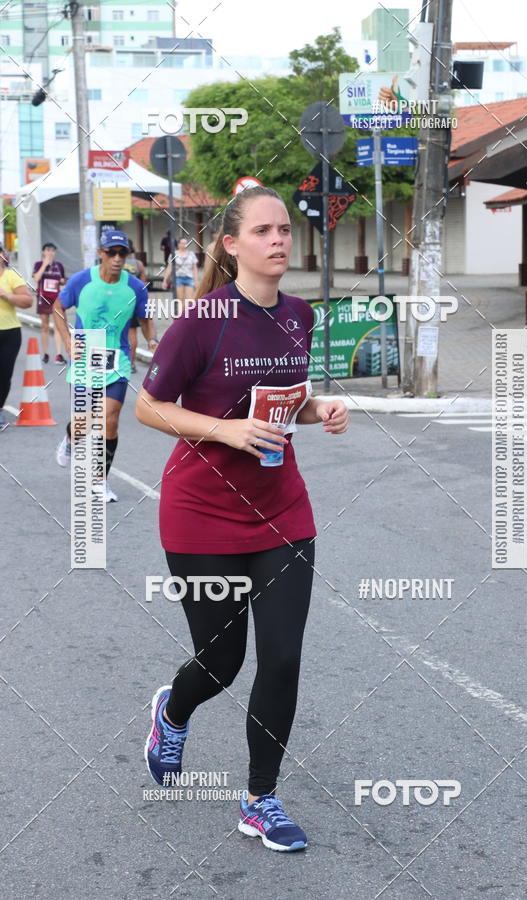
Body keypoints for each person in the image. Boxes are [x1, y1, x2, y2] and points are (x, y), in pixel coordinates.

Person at [136, 186, 349, 852]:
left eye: (285, 229)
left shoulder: (300, 317)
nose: (280, 239)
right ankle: (172, 710)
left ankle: (260, 799)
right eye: (263, 230)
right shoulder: (202, 321)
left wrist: (318, 412)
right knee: (222, 663)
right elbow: (149, 407)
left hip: (282, 510)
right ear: (232, 245)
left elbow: (284, 401)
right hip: (200, 514)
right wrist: (224, 433)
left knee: (281, 657)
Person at [52, 229, 158, 502]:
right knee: (84, 421)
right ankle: (70, 437)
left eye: (123, 253)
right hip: (85, 355)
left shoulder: (134, 287)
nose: (118, 258)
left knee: (110, 417)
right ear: (101, 253)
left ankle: (99, 479)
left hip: (117, 358)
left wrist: (154, 340)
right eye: (112, 252)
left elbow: (145, 319)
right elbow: (57, 307)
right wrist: (67, 340)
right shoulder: (81, 281)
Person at [0, 249, 33, 426]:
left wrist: (6, 294)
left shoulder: (11, 277)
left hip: (9, 332)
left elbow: (28, 301)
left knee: (4, 374)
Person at [32, 242, 67, 364]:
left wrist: (63, 281)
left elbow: (63, 281)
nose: (50, 253)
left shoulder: (59, 266)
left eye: (52, 250)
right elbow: (36, 278)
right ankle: (46, 353)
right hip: (43, 298)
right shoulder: (38, 264)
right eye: (48, 250)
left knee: (58, 326)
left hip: (56, 299)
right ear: (43, 252)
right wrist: (45, 265)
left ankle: (58, 355)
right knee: (45, 326)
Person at [123, 241, 147, 374]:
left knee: (119, 333)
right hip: (134, 301)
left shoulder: (116, 263)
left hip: (119, 301)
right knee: (133, 334)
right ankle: (131, 363)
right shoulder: (138, 264)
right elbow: (143, 285)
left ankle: (119, 361)